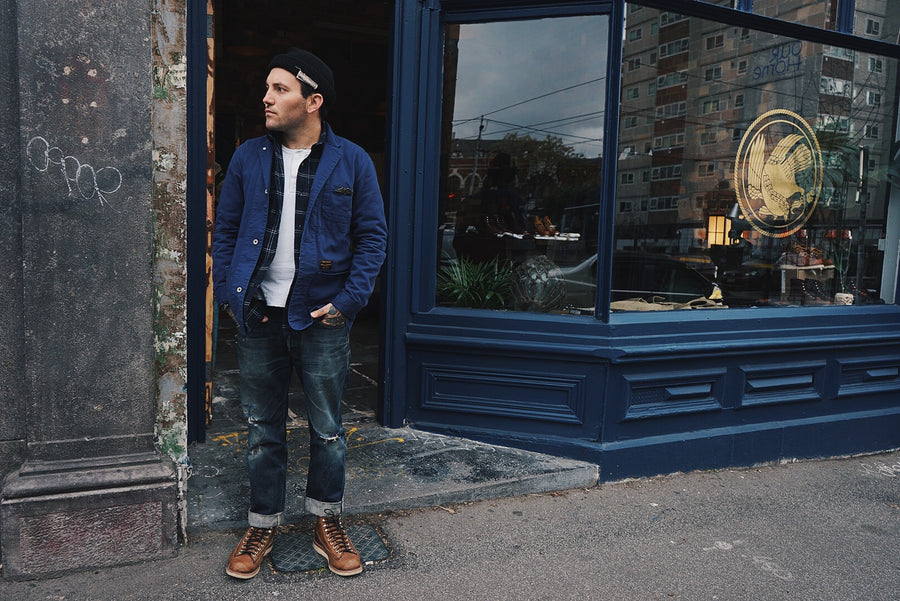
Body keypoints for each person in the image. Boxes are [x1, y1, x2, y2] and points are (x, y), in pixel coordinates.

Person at [212, 47, 387, 580]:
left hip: (321, 318)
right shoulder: (247, 158)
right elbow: (226, 232)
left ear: (312, 102)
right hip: (260, 315)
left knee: (328, 429)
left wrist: (349, 302)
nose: (266, 98)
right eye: (267, 87)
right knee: (263, 428)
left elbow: (372, 239)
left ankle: (325, 522)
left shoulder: (353, 161)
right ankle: (262, 523)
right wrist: (228, 293)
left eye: (280, 89)